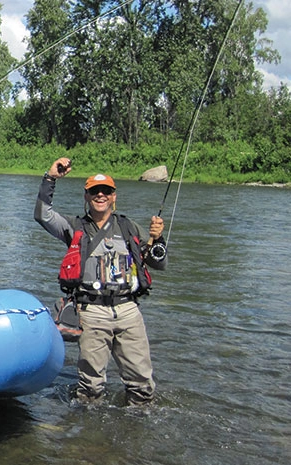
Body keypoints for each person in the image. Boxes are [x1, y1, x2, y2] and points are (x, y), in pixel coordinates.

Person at [34, 157, 167, 406]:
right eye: (95, 191)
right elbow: (43, 215)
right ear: (87, 196)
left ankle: (137, 427)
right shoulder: (75, 227)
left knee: (142, 385)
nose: (101, 195)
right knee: (90, 389)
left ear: (114, 196)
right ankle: (89, 436)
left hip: (128, 311)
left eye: (106, 191)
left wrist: (158, 240)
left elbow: (158, 264)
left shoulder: (130, 227)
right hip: (91, 312)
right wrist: (50, 178)